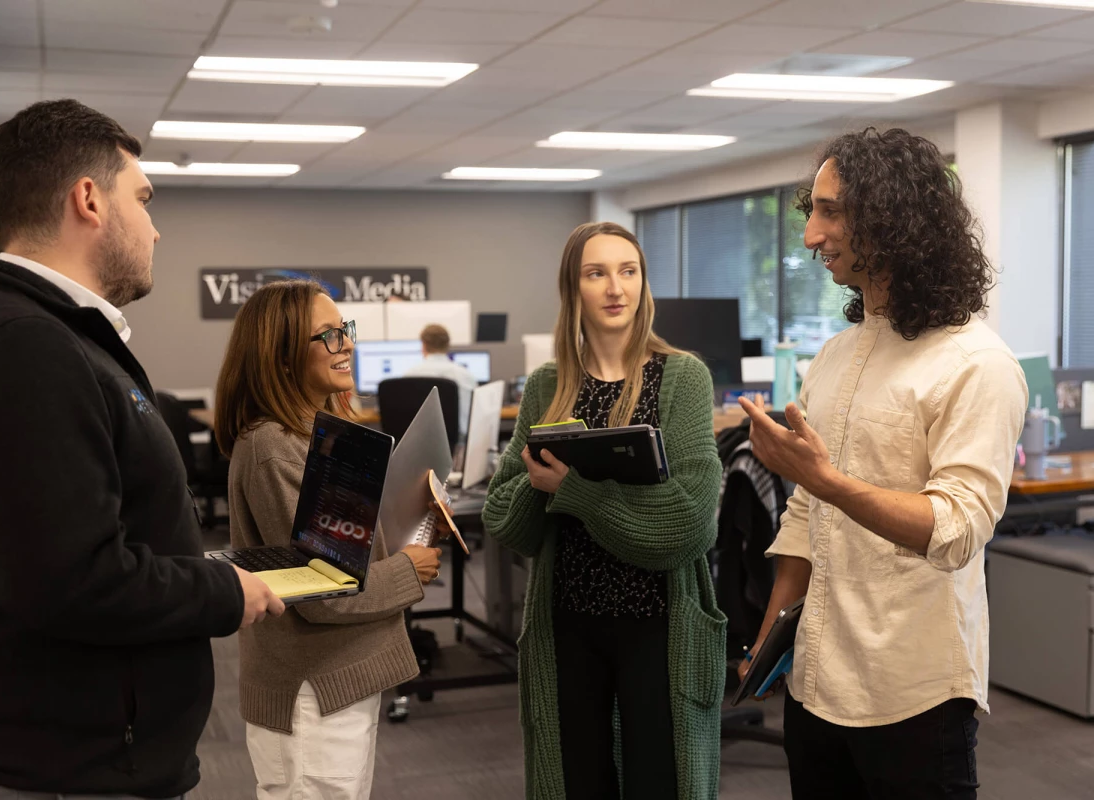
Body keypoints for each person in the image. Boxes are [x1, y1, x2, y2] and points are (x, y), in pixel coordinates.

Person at [0, 99, 284, 798]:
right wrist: (224, 589)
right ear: (88, 200)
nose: (156, 230)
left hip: (100, 752)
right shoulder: (26, 347)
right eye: (144, 199)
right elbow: (72, 582)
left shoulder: (53, 337)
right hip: (75, 767)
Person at [739, 128, 1028, 800]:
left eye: (831, 211)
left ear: (896, 218)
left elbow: (957, 529)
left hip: (912, 692)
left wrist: (825, 479)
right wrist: (767, 640)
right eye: (811, 211)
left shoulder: (977, 365)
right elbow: (807, 517)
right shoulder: (836, 357)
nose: (811, 235)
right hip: (814, 680)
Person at [483, 222, 725, 800]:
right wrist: (540, 486)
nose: (615, 287)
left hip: (658, 625)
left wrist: (575, 492)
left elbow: (690, 523)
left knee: (659, 782)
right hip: (568, 621)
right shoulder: (548, 386)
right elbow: (504, 519)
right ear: (575, 289)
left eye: (628, 271)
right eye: (597, 273)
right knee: (576, 782)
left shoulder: (682, 377)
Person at [214, 280, 442, 800]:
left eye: (345, 331)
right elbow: (323, 590)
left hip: (338, 678)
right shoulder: (275, 447)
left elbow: (346, 543)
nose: (346, 346)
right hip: (310, 691)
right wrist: (409, 569)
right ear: (283, 353)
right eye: (328, 336)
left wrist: (408, 507)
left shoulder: (319, 430)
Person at [403, 323, 478, 438]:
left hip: (418, 445)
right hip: (457, 447)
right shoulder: (466, 376)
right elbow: (473, 420)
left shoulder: (408, 376)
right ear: (447, 345)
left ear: (423, 345)